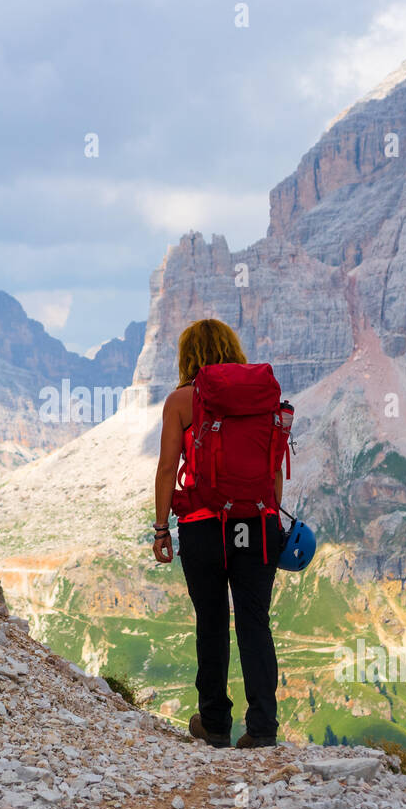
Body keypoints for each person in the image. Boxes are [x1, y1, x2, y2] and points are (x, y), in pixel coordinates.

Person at [152, 319, 282, 748]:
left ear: (188, 355)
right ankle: (263, 728)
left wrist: (160, 529)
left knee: (211, 622)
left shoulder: (181, 401)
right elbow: (273, 467)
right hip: (258, 522)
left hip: (204, 526)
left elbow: (168, 468)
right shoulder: (263, 397)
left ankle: (215, 725)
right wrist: (272, 519)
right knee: (254, 623)